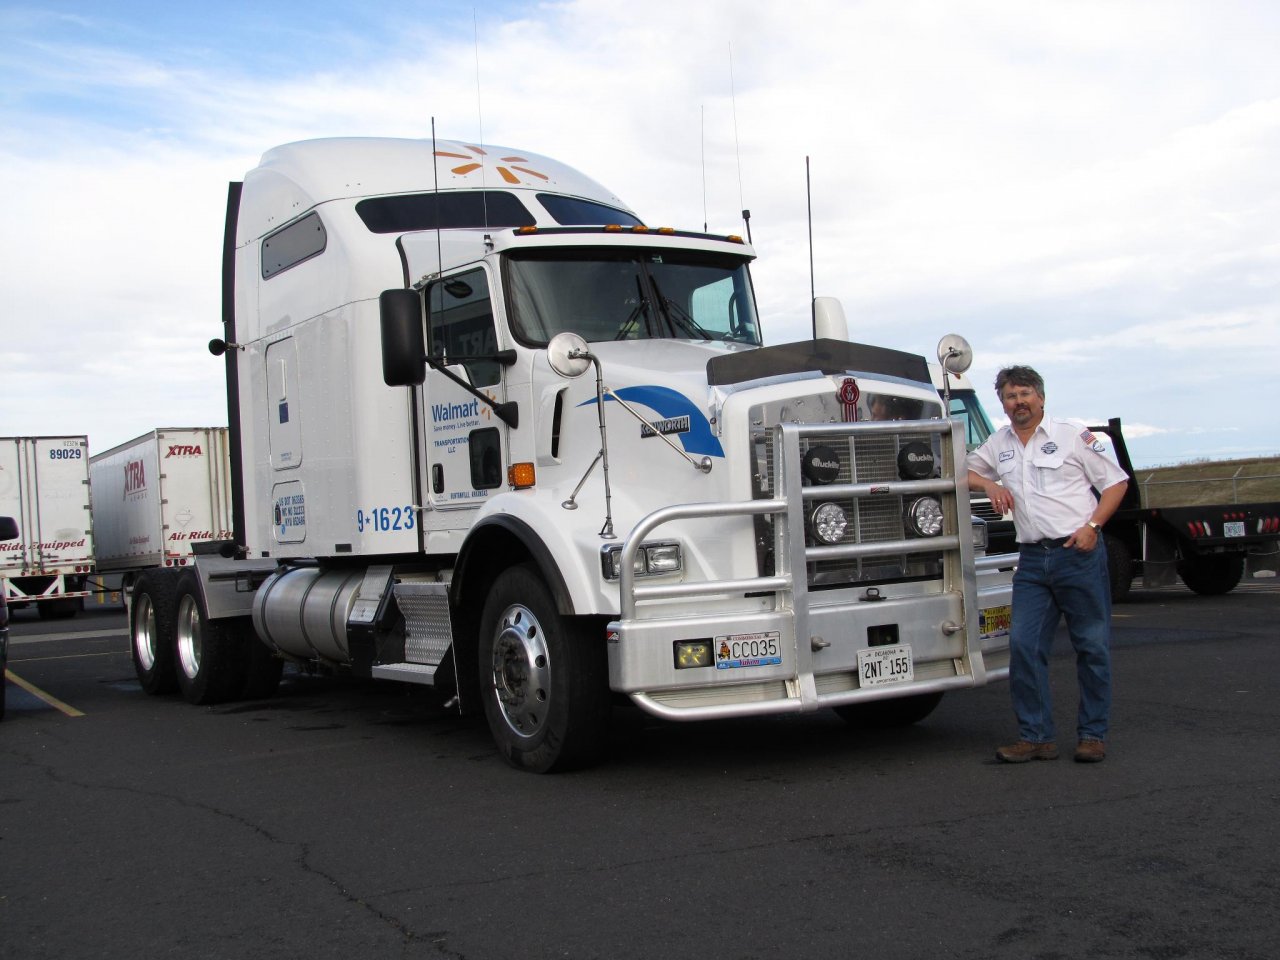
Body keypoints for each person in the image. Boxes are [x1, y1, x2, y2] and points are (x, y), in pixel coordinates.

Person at [967, 365, 1129, 764]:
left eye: (1024, 394)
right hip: (1033, 560)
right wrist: (988, 483)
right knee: (1023, 646)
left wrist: (1093, 527)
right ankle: (1036, 737)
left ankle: (1092, 735)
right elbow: (963, 472)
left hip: (1078, 554)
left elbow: (1116, 483)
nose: (1018, 402)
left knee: (1091, 646)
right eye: (1010, 396)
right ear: (1002, 403)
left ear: (1040, 397)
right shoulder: (999, 442)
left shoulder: (1072, 435)